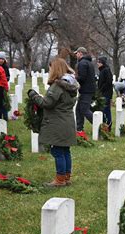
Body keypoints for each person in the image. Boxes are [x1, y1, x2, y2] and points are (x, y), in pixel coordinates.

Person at [27, 58, 79, 187]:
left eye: (51, 68)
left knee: (57, 151)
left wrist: (34, 96)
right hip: (66, 121)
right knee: (65, 151)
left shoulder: (58, 86)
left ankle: (60, 180)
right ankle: (66, 177)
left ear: (55, 69)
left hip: (57, 122)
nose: (50, 71)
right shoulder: (70, 84)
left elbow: (47, 103)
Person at [74, 47, 96, 132]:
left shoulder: (82, 63)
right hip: (87, 89)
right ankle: (79, 129)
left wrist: (74, 77)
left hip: (86, 90)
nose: (76, 55)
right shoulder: (88, 62)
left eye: (77, 53)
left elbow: (82, 78)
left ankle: (99, 124)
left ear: (80, 53)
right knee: (78, 109)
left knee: (84, 109)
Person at [96, 56, 113, 130]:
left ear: (102, 63)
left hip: (106, 93)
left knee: (106, 109)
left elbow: (108, 82)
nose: (97, 63)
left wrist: (101, 89)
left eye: (99, 62)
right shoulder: (102, 70)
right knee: (103, 109)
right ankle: (105, 124)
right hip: (103, 93)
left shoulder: (106, 70)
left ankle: (108, 124)